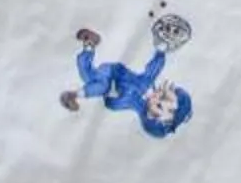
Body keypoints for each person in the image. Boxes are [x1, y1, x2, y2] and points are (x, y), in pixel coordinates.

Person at [64, 28, 193, 137]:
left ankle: (89, 45)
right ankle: (74, 95)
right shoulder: (146, 84)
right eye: (163, 95)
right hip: (115, 73)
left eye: (158, 106)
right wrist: (160, 51)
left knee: (88, 75)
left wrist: (112, 99)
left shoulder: (138, 104)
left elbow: (120, 104)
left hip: (108, 83)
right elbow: (153, 70)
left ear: (151, 116)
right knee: (97, 84)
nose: (156, 98)